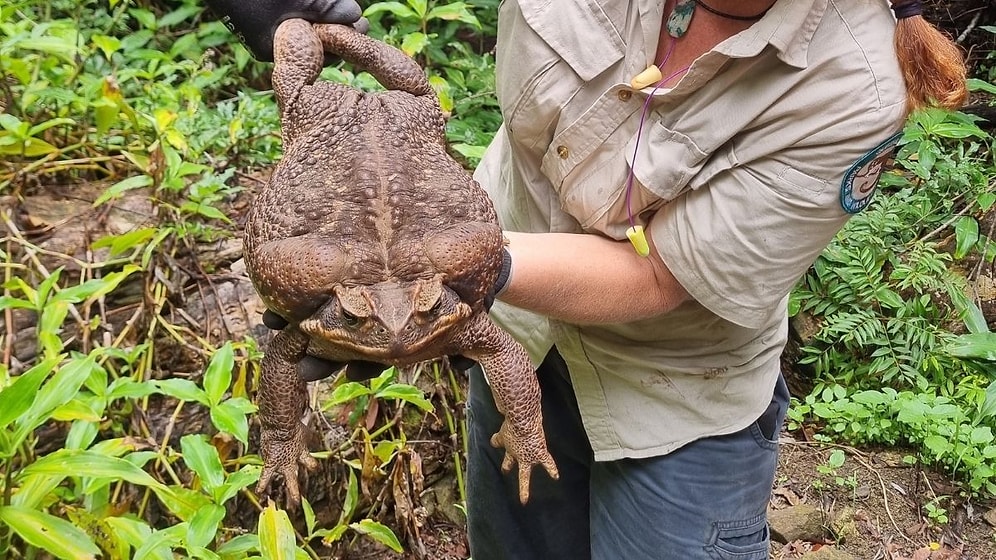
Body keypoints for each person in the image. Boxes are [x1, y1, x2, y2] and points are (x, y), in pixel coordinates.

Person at [210, 0, 968, 558]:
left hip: (671, 389)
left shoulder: (854, 87)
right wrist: (291, 21)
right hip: (512, 329)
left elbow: (662, 277)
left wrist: (455, 273)